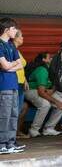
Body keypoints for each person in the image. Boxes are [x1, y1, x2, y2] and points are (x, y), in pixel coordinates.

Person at [25, 52, 62, 137]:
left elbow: (54, 84)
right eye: (49, 58)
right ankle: (34, 130)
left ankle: (49, 128)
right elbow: (41, 92)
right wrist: (55, 102)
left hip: (45, 90)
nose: (51, 59)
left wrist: (52, 90)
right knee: (45, 104)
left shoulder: (51, 69)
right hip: (31, 90)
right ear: (44, 60)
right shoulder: (42, 70)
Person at [0, 17, 24, 154]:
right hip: (4, 85)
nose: (16, 31)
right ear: (6, 30)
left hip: (13, 84)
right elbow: (4, 65)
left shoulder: (11, 45)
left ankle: (10, 142)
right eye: (14, 29)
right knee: (4, 115)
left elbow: (18, 64)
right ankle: (1, 143)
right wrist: (10, 65)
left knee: (14, 114)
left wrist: (10, 66)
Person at [13, 29, 30, 139]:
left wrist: (25, 80)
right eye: (21, 36)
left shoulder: (17, 50)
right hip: (14, 83)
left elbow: (20, 68)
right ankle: (10, 136)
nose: (23, 38)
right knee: (15, 110)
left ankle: (15, 133)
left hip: (20, 82)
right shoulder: (11, 49)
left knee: (20, 108)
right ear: (15, 37)